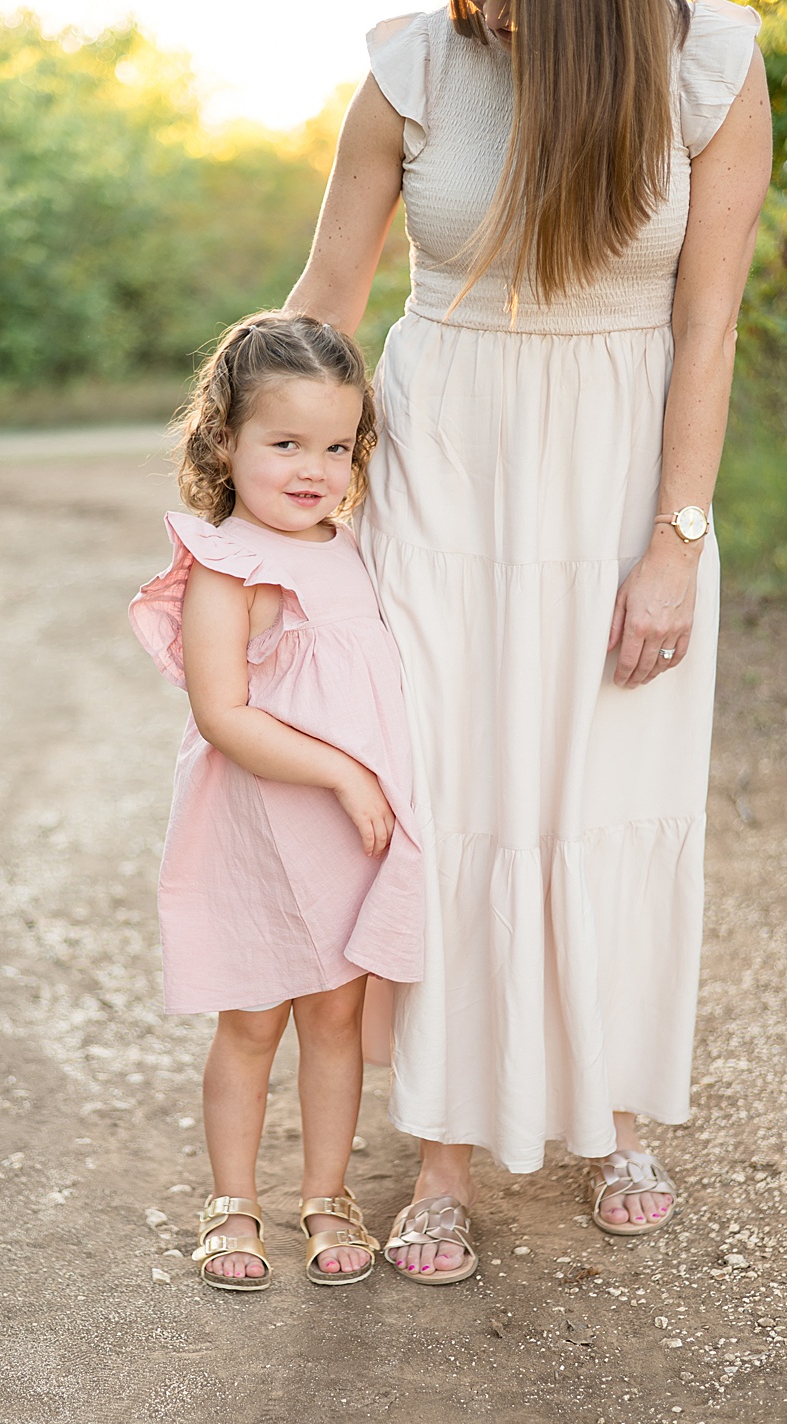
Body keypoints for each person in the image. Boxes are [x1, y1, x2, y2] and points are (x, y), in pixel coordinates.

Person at [285, 0, 770, 1280]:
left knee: (604, 797)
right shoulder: (414, 69)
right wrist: (241, 493)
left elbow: (705, 323)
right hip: (441, 474)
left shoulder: (707, 68)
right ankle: (442, 1148)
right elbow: (326, 299)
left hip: (622, 484)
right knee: (449, 796)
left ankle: (611, 1117)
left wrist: (675, 538)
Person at [130, 312, 425, 1290]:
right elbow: (223, 713)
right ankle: (232, 1200)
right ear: (225, 441)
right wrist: (344, 771)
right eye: (284, 442)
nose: (313, 468)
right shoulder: (230, 562)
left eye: (335, 446)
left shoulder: (348, 547)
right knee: (253, 1021)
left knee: (334, 1020)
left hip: (343, 843)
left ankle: (326, 1191)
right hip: (258, 830)